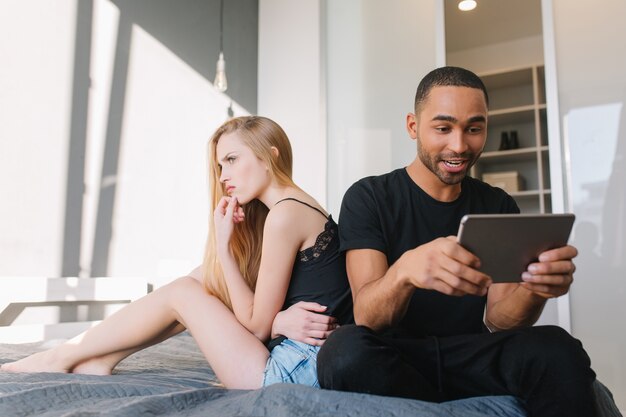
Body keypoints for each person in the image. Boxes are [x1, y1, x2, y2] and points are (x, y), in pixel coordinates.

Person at [316, 66, 598, 417]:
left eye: (474, 129)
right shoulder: (369, 197)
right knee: (342, 351)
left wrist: (534, 289)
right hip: (397, 357)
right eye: (443, 128)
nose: (459, 145)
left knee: (559, 347)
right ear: (413, 126)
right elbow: (368, 317)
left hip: (471, 355)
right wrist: (405, 271)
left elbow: (500, 321)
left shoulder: (497, 205)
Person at [1, 116, 353, 389]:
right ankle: (94, 358)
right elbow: (241, 297)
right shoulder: (294, 209)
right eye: (219, 166)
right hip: (296, 361)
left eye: (232, 159)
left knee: (184, 292)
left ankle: (62, 355)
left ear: (270, 156)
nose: (223, 176)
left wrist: (223, 245)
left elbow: (257, 326)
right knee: (194, 282)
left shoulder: (285, 215)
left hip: (288, 373)